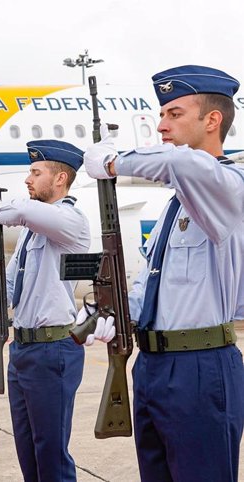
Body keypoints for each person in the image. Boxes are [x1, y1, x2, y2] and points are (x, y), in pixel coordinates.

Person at [81, 65, 244, 482]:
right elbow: (153, 279)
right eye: (162, 114)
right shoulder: (175, 204)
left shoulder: (229, 185)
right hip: (152, 365)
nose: (161, 124)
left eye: (174, 113)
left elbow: (181, 163)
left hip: (200, 366)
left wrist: (114, 161)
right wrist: (122, 314)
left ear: (213, 120)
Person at [0, 140, 90, 482]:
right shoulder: (33, 232)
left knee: (51, 450)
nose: (28, 179)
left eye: (35, 172)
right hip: (25, 348)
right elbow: (12, 283)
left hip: (53, 349)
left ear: (60, 179)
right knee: (28, 448)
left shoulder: (70, 220)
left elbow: (24, 211)